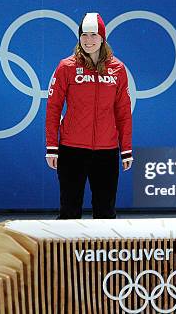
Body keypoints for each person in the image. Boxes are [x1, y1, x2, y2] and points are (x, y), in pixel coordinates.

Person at [45, 12, 133, 219]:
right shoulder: (66, 67)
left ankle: (103, 252)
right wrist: (52, 148)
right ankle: (65, 252)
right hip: (72, 150)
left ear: (102, 38)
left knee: (105, 213)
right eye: (84, 35)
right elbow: (53, 108)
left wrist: (126, 149)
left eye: (94, 35)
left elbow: (123, 113)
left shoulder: (117, 69)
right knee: (69, 212)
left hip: (107, 151)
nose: (88, 40)